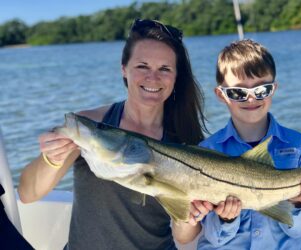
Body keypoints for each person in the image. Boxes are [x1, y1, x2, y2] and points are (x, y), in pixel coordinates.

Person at [18, 19, 213, 250]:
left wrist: (188, 219)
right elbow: (27, 194)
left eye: (165, 69)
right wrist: (51, 159)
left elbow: (184, 238)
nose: (153, 77)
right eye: (142, 66)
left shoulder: (186, 141)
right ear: (124, 69)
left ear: (176, 77)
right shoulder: (90, 125)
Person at [196, 39, 301, 250]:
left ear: (274, 89)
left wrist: (299, 204)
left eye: (261, 90)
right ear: (221, 95)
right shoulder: (206, 152)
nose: (251, 99)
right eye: (238, 92)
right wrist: (226, 220)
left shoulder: (300, 145)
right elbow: (214, 238)